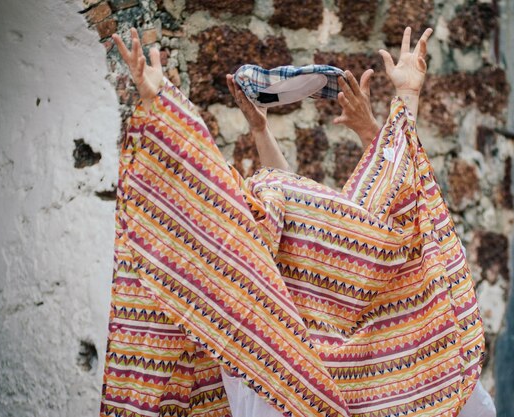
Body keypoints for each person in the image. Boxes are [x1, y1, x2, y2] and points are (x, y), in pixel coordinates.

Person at [104, 25, 492, 417]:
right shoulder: (418, 356)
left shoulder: (269, 354)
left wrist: (166, 106)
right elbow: (402, 212)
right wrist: (402, 102)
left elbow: (390, 208)